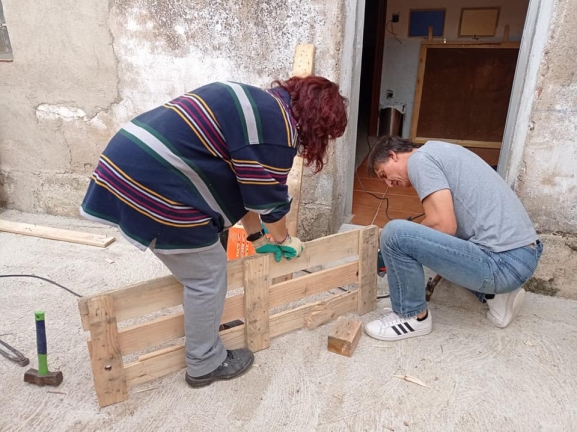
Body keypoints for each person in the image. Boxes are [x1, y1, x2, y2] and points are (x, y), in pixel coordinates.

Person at [80, 76, 348, 386]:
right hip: (153, 180)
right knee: (206, 275)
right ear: (316, 124)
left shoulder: (259, 107)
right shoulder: (278, 131)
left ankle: (206, 324)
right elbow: (271, 204)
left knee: (207, 257)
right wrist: (284, 239)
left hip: (129, 159)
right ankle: (205, 362)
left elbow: (246, 188)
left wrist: (256, 238)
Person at [364, 136, 542, 342]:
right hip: (521, 256)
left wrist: (395, 243)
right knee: (419, 239)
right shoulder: (439, 150)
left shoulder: (419, 161)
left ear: (393, 155)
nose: (388, 184)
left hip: (503, 263)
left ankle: (412, 316)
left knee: (395, 233)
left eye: (384, 174)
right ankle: (497, 296)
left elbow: (444, 226)